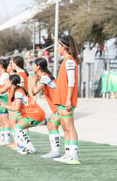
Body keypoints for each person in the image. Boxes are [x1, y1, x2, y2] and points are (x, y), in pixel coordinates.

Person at [0, 74, 45, 154]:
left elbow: (16, 108)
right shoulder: (19, 90)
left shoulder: (18, 92)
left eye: (7, 80)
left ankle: (30, 147)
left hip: (35, 114)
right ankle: (24, 146)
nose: (5, 81)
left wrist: (4, 105)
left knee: (18, 127)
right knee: (18, 127)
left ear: (11, 82)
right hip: (35, 114)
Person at [53, 35, 81, 164]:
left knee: (70, 127)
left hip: (66, 100)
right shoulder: (65, 61)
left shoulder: (69, 61)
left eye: (58, 46)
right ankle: (68, 153)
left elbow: (71, 81)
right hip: (61, 100)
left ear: (64, 47)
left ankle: (74, 156)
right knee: (64, 127)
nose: (57, 48)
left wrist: (68, 100)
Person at [31, 57, 61, 158]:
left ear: (38, 67)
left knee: (53, 126)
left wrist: (33, 81)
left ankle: (57, 152)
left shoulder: (45, 77)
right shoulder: (44, 77)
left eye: (34, 64)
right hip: (57, 107)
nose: (33, 66)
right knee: (51, 126)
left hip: (61, 106)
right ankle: (55, 151)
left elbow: (34, 91)